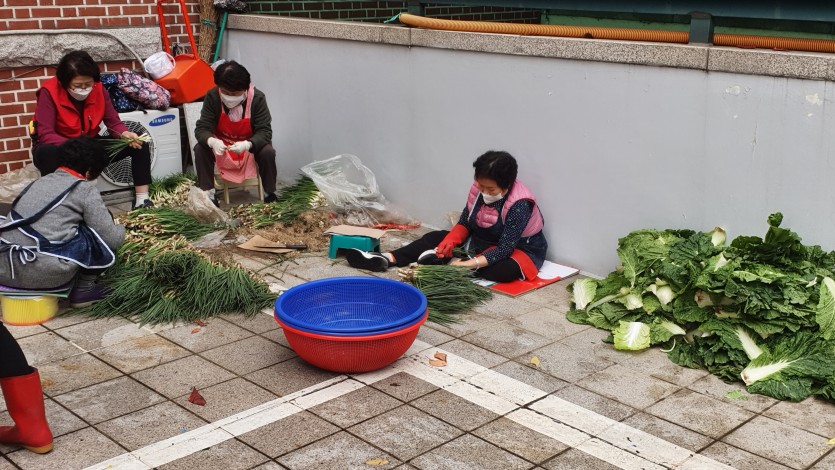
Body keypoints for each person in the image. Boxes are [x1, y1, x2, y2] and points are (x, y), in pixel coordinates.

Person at [346, 150, 548, 283]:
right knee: (436, 238)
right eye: (480, 185)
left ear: (507, 185)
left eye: (491, 189)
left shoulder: (520, 205)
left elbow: (505, 248)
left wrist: (470, 264)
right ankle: (386, 258)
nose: (484, 191)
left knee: (503, 271)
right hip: (482, 241)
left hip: (517, 249)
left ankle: (453, 266)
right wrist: (451, 240)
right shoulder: (477, 191)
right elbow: (465, 222)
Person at [0, 136, 125, 308]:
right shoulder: (83, 188)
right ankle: (84, 289)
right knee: (96, 228)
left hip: (5, 267)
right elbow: (112, 239)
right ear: (89, 170)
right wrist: (122, 228)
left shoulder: (38, 183)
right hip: (43, 271)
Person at [31, 50, 154, 210]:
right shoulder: (49, 92)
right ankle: (58, 206)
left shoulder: (99, 90)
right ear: (64, 82)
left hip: (89, 144)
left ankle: (142, 200)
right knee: (46, 152)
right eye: (77, 85)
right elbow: (46, 134)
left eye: (88, 84)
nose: (84, 89)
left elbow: (113, 122)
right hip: (59, 147)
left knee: (138, 143)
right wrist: (79, 149)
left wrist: (124, 134)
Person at [193, 60, 278, 206]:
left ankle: (269, 193)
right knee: (200, 148)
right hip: (222, 143)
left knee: (268, 151)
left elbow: (265, 131)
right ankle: (209, 193)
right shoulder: (213, 96)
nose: (230, 97)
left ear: (244, 89)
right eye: (225, 92)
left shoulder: (257, 98)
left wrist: (247, 144)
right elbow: (202, 128)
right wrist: (211, 141)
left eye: (235, 93)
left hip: (248, 142)